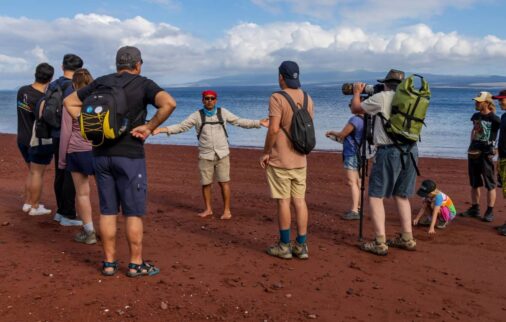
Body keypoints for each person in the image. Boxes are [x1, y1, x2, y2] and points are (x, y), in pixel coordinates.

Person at [64, 46, 177, 277]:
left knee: (107, 211)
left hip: (100, 154)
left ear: (117, 65)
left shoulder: (101, 82)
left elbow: (69, 102)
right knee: (133, 212)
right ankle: (135, 264)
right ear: (138, 64)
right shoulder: (143, 83)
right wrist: (149, 126)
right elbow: (169, 103)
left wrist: (87, 126)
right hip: (129, 155)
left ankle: (108, 263)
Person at [153, 89, 268, 220]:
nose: (209, 100)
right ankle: (208, 209)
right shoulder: (196, 115)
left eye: (212, 98)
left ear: (216, 100)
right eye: (207, 98)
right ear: (202, 100)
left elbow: (239, 121)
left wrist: (259, 122)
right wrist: (161, 129)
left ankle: (227, 211)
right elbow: (181, 127)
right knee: (206, 183)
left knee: (224, 182)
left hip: (222, 154)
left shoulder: (222, 112)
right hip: (205, 155)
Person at [350, 69, 418, 256]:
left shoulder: (382, 97)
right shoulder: (413, 98)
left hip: (389, 151)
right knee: (401, 195)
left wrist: (357, 92)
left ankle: (379, 241)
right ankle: (407, 238)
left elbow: (356, 109)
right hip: (411, 150)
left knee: (375, 195)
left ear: (386, 83)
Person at [260, 61, 314, 260]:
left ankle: (284, 245)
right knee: (299, 201)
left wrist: (266, 152)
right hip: (301, 159)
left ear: (281, 76)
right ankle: (302, 246)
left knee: (283, 201)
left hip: (280, 159)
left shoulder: (277, 97)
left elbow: (274, 129)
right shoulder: (308, 98)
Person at [59, 68, 96, 244]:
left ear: (74, 84)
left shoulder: (71, 102)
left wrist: (62, 159)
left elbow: (66, 132)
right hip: (98, 150)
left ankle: (89, 232)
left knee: (82, 193)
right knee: (106, 192)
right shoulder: (99, 102)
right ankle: (106, 227)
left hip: (78, 150)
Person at [51, 54, 84, 226]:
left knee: (60, 174)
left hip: (55, 134)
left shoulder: (54, 84)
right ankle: (68, 214)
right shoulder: (74, 87)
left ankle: (61, 211)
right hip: (69, 135)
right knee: (70, 176)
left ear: (62, 66)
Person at [17, 63, 54, 216]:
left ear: (35, 74)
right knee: (37, 173)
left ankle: (27, 203)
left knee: (32, 172)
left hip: (22, 138)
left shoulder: (22, 91)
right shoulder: (43, 99)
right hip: (35, 140)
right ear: (50, 78)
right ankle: (35, 206)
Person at [458, 92, 500, 223]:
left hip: (486, 154)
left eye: (479, 101)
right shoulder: (475, 116)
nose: (476, 103)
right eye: (476, 101)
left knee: (490, 184)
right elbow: (474, 130)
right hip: (474, 153)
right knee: (474, 183)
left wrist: (496, 149)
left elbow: (502, 134)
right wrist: (471, 145)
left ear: (487, 103)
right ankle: (474, 208)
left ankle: (489, 211)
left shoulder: (495, 119)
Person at [325, 103, 364, 220]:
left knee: (352, 182)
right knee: (358, 181)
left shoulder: (355, 120)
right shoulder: (367, 119)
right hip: (361, 153)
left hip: (351, 153)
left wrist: (331, 132)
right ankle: (358, 207)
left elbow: (343, 134)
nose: (349, 106)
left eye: (351, 104)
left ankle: (354, 211)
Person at [492, 90, 506, 236]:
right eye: (499, 100)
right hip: (503, 159)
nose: (499, 102)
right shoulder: (503, 116)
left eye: (502, 99)